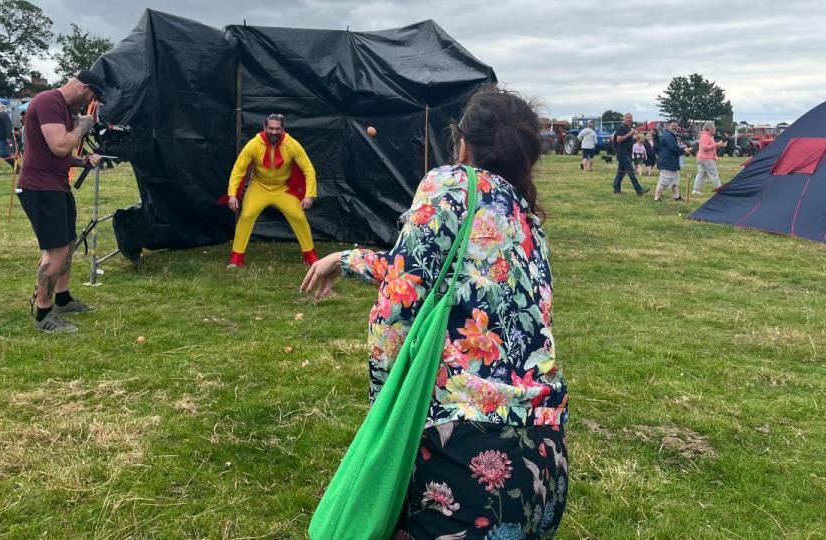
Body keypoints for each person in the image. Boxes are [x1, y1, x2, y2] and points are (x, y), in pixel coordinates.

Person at [302, 87, 568, 538]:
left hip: (466, 456)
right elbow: (436, 270)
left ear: (462, 142)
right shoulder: (527, 223)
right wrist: (346, 260)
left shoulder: (449, 184)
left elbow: (399, 302)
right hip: (544, 456)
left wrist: (385, 420)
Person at [17, 70, 104, 333]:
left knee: (67, 244)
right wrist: (82, 126)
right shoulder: (49, 102)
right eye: (92, 97)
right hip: (40, 188)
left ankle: (63, 299)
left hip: (57, 186)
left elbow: (57, 153)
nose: (89, 104)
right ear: (84, 88)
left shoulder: (63, 109)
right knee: (55, 250)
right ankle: (43, 314)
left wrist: (82, 161)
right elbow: (59, 145)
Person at [225, 113, 319, 268]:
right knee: (246, 215)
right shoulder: (254, 144)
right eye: (271, 128)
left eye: (277, 128)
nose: (274, 132)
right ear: (264, 127)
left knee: (298, 216)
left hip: (283, 188)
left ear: (283, 129)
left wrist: (309, 195)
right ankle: (236, 258)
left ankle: (310, 255)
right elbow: (238, 169)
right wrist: (232, 194)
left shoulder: (292, 144)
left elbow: (308, 169)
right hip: (259, 187)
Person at [611, 113, 648, 195]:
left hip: (627, 153)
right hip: (622, 153)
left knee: (621, 172)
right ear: (624, 118)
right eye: (627, 118)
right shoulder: (621, 127)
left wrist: (635, 136)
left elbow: (628, 139)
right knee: (631, 172)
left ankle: (616, 188)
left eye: (630, 118)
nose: (629, 119)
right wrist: (630, 134)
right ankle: (639, 190)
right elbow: (619, 139)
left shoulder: (628, 128)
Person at [654, 119, 688, 202]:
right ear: (668, 126)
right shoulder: (667, 136)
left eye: (676, 126)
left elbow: (674, 147)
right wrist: (684, 151)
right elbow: (673, 148)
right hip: (666, 161)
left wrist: (682, 149)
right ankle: (657, 198)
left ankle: (676, 197)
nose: (675, 128)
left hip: (671, 161)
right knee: (663, 181)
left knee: (675, 180)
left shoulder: (670, 135)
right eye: (673, 126)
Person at [693, 122, 726, 195]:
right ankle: (720, 190)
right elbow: (705, 147)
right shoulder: (705, 136)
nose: (715, 129)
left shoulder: (706, 136)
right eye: (714, 128)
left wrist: (717, 145)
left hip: (702, 158)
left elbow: (709, 146)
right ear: (709, 128)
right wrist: (716, 144)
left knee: (701, 174)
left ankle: (696, 190)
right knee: (714, 174)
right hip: (706, 159)